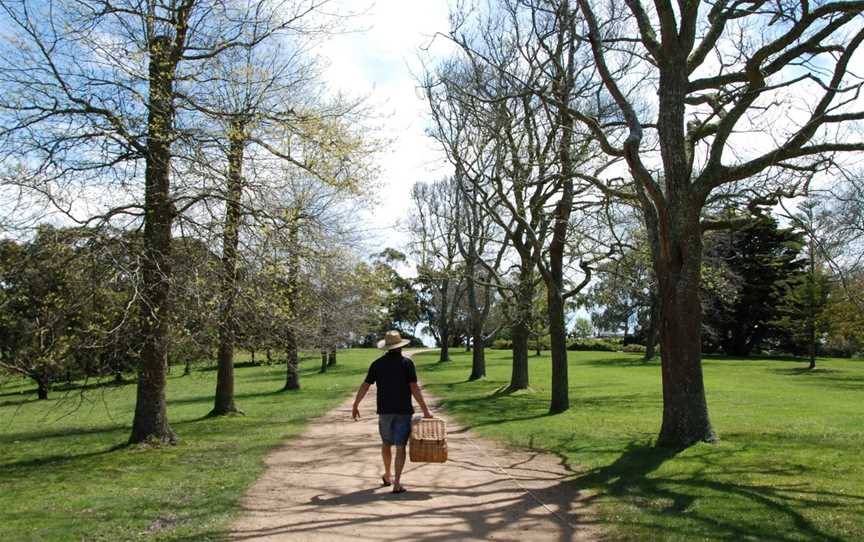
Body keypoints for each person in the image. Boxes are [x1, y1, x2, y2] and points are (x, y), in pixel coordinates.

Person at [352, 330, 432, 494]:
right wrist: (425, 410)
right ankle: (397, 483)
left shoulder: (377, 364)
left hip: (385, 412)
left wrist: (356, 404)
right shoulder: (407, 363)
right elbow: (414, 388)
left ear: (387, 347)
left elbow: (365, 385)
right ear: (400, 346)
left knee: (386, 444)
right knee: (400, 446)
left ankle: (388, 475)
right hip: (403, 411)